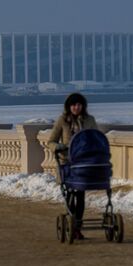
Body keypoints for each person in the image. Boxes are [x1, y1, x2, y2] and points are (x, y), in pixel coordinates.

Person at [48, 92, 98, 240]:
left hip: (83, 163)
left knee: (81, 196)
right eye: (74, 105)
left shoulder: (90, 120)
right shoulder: (62, 121)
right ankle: (73, 224)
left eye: (79, 105)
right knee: (70, 195)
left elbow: (95, 137)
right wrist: (60, 146)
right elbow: (51, 142)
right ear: (69, 107)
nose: (76, 107)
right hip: (67, 163)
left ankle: (77, 226)